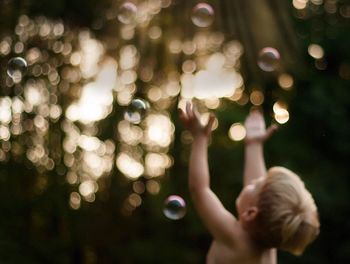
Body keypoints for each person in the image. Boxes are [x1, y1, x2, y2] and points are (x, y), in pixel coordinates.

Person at [178, 102, 320, 264]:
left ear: (251, 213)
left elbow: (200, 189)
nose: (252, 182)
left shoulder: (235, 238)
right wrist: (254, 145)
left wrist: (200, 137)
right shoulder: (269, 248)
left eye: (255, 185)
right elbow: (258, 194)